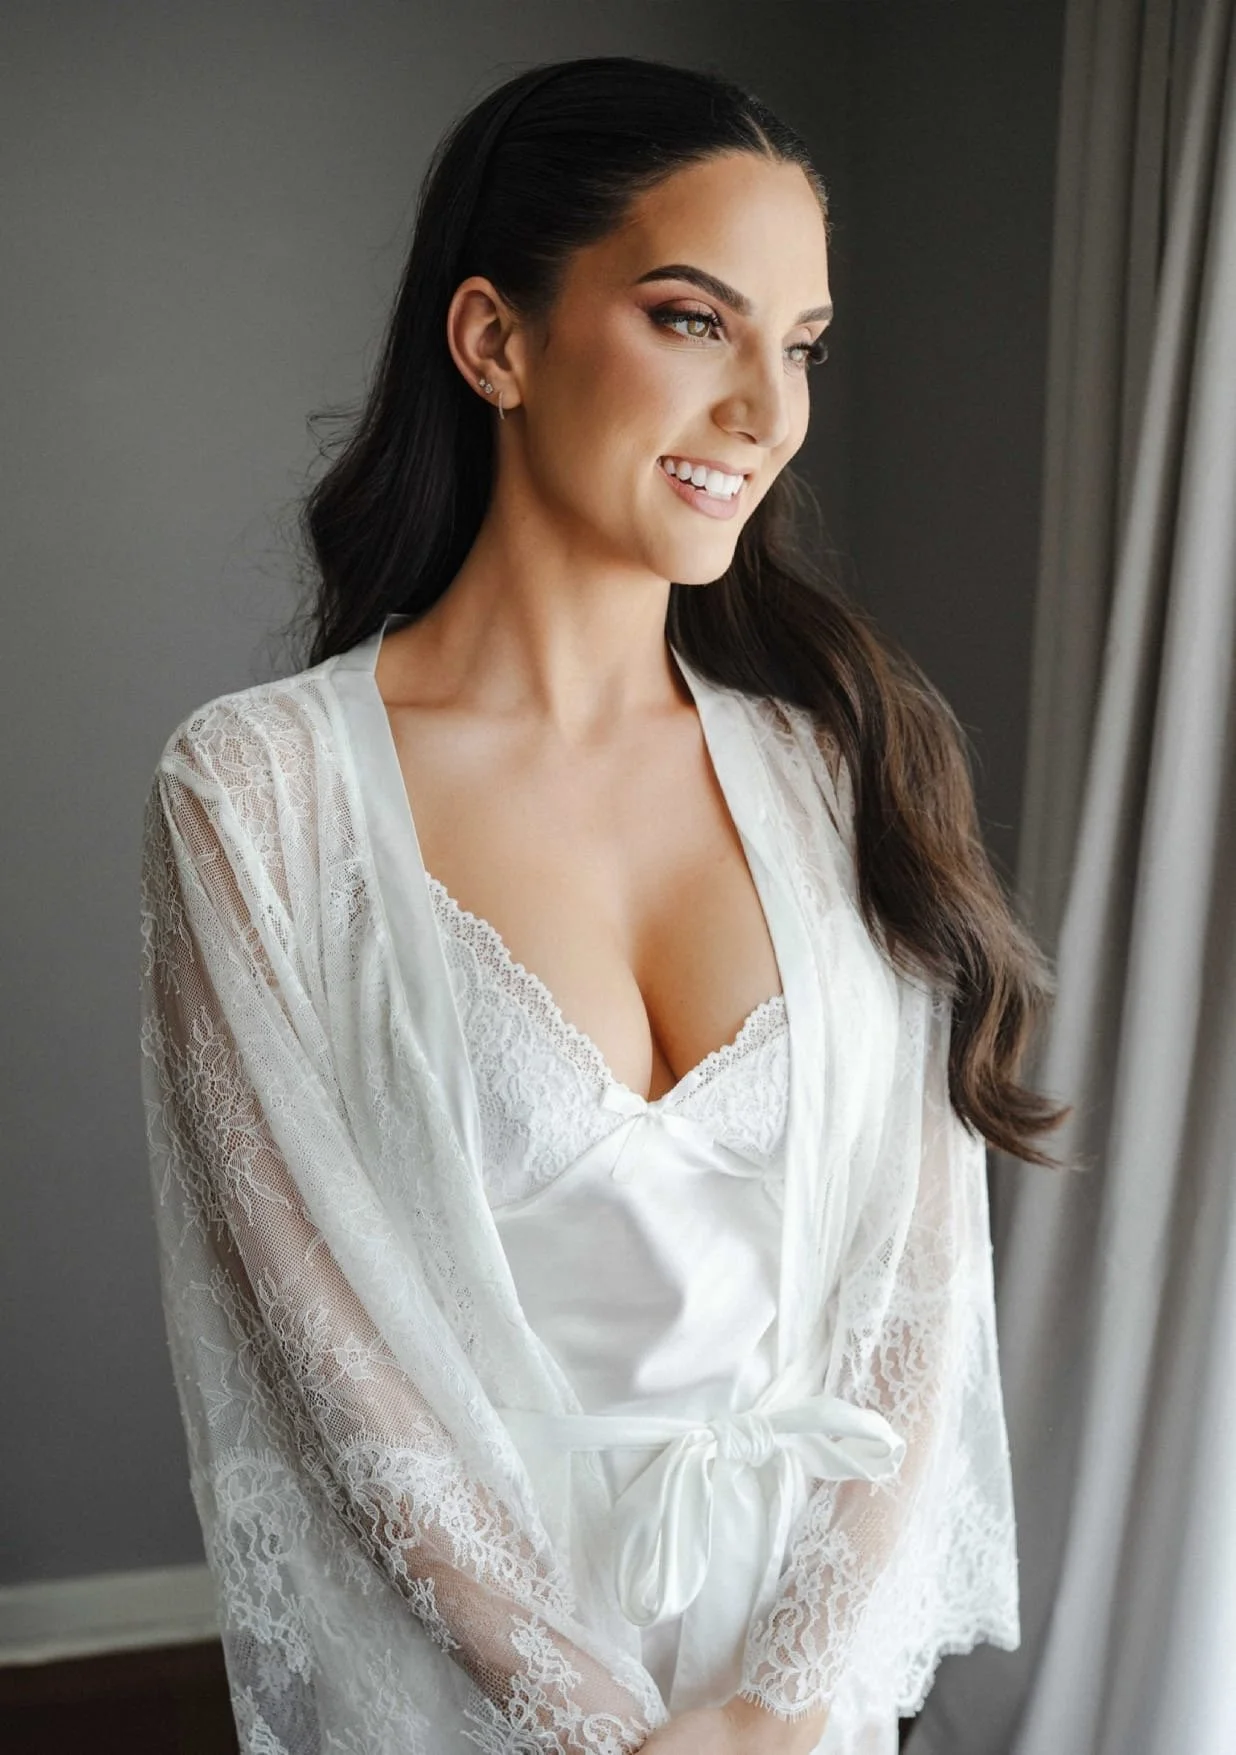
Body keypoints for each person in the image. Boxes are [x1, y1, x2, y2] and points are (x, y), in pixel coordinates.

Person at [139, 55, 1069, 1755]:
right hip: (466, 1686)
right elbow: (324, 1346)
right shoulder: (258, 794)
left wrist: (780, 1707)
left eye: (801, 347)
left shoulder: (843, 769)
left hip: (790, 1694)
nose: (768, 413)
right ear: (495, 339)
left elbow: (912, 1303)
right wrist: (595, 1725)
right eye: (695, 321)